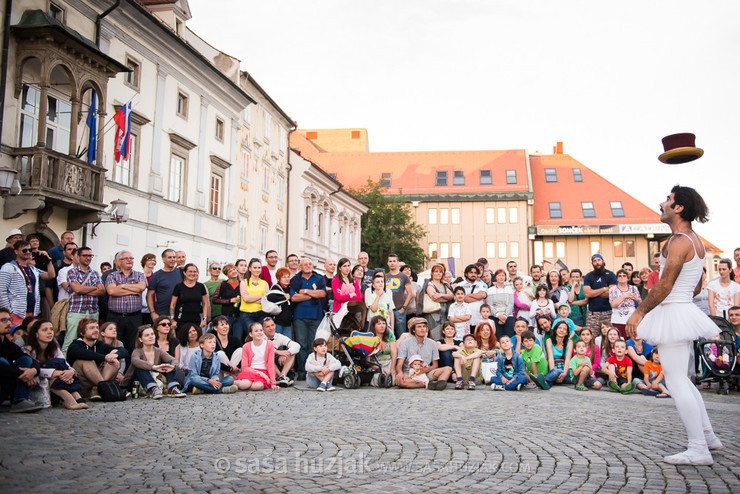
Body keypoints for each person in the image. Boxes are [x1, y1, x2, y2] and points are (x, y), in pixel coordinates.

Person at [626, 185, 722, 465]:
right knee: (682, 378)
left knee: (676, 380)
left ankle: (698, 449)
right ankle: (708, 436)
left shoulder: (678, 241)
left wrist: (639, 313)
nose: (661, 203)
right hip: (683, 310)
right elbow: (696, 286)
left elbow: (666, 285)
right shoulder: (696, 241)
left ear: (679, 208)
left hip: (674, 312)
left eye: (667, 200)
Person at [23, 319, 87, 409]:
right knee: (53, 372)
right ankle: (69, 400)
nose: (49, 332)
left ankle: (76, 397)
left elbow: (64, 362)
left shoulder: (54, 347)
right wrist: (53, 372)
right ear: (36, 334)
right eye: (45, 330)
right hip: (37, 383)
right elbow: (34, 370)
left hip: (58, 380)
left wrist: (70, 371)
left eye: (51, 329)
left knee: (60, 365)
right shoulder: (28, 350)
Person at [66, 318, 128, 398]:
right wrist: (105, 357)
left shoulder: (99, 344)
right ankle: (106, 389)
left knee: (113, 359)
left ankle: (99, 389)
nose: (95, 330)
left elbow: (124, 351)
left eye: (97, 328)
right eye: (92, 328)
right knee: (86, 361)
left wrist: (115, 355)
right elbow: (84, 353)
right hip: (81, 385)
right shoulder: (75, 345)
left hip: (96, 383)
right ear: (82, 332)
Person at [0, 240, 55, 325]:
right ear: (16, 251)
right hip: (16, 313)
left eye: (30, 250)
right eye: (24, 250)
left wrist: (48, 260)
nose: (28, 252)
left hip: (32, 313)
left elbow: (51, 275)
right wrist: (9, 312)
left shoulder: (32, 269)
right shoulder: (8, 268)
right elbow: (1, 291)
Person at [124, 326, 185, 399]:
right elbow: (135, 361)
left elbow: (173, 360)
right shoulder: (137, 351)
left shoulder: (158, 351)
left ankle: (172, 388)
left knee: (168, 364)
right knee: (140, 366)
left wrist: (172, 366)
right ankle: (153, 389)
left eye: (152, 334)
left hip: (155, 378)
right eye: (147, 335)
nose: (151, 337)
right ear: (140, 339)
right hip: (136, 382)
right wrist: (153, 367)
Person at [0, 307, 42, 412]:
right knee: (2, 361)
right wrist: (24, 375)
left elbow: (30, 359)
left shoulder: (7, 343)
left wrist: (33, 371)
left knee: (25, 360)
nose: (8, 323)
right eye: (3, 320)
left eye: (9, 319)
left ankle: (20, 400)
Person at [63, 246, 104, 354]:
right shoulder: (72, 272)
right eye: (85, 255)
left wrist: (82, 289)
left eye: (90, 255)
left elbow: (102, 291)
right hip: (77, 310)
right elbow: (76, 289)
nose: (88, 258)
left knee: (92, 340)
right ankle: (65, 365)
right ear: (78, 256)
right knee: (70, 339)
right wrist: (94, 287)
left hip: (92, 310)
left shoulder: (95, 273)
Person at [290, 258, 326, 376]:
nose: (308, 266)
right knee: (301, 344)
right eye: (306, 264)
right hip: (300, 316)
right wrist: (313, 295)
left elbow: (322, 294)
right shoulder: (295, 280)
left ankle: (312, 370)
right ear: (301, 267)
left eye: (310, 264)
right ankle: (301, 370)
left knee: (313, 344)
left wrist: (305, 291)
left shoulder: (319, 278)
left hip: (316, 316)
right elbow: (294, 297)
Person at [106, 251, 146, 352]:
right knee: (115, 344)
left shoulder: (139, 275)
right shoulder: (112, 276)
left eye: (131, 258)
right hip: (116, 317)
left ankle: (130, 368)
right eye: (126, 258)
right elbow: (111, 291)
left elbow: (141, 287)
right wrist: (133, 290)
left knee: (133, 345)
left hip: (134, 317)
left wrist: (123, 286)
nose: (129, 260)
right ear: (119, 261)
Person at [395, 317, 452, 390]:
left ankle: (439, 383)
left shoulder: (432, 343)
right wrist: (399, 373)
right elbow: (399, 364)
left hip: (427, 372)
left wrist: (426, 370)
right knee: (400, 382)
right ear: (413, 330)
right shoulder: (405, 343)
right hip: (410, 373)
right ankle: (428, 384)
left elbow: (435, 365)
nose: (422, 329)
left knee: (448, 369)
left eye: (424, 327)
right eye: (419, 327)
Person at [583, 254, 617, 338]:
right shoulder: (588, 276)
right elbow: (587, 293)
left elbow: (612, 293)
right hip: (593, 313)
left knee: (610, 337)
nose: (597, 263)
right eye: (594, 261)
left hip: (608, 312)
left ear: (603, 261)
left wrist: (593, 292)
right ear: (592, 264)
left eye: (599, 260)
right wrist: (604, 289)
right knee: (590, 338)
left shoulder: (611, 275)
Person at [234, 322, 276, 391]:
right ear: (251, 334)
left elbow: (271, 364)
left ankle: (249, 385)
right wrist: (260, 373)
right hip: (250, 372)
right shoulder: (246, 346)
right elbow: (244, 367)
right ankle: (232, 383)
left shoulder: (269, 344)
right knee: (245, 384)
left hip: (264, 372)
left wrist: (273, 383)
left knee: (257, 386)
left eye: (261, 330)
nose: (259, 332)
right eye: (256, 331)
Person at [235, 259, 268, 342]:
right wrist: (260, 296)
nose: (257, 270)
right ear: (250, 268)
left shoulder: (264, 283)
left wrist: (252, 298)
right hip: (247, 315)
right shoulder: (244, 282)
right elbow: (245, 298)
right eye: (255, 267)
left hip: (261, 314)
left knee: (262, 337)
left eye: (259, 268)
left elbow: (267, 300)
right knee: (252, 336)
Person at [262, 317, 299, 387]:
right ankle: (281, 377)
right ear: (263, 329)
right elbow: (262, 350)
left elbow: (297, 346)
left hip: (279, 364)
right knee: (267, 355)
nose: (271, 328)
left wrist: (286, 352)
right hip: (266, 366)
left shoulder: (279, 336)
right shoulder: (260, 337)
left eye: (272, 325)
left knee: (292, 352)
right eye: (267, 326)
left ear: (275, 325)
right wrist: (278, 352)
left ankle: (282, 376)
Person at [146, 249, 181, 323]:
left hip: (179, 314)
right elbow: (149, 295)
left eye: (174, 257)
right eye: (170, 257)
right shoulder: (157, 275)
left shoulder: (180, 272)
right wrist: (152, 313)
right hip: (162, 314)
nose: (172, 260)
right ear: (163, 259)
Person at [171, 264, 209, 329]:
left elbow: (205, 304)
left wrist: (204, 319)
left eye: (194, 271)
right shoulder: (179, 287)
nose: (192, 273)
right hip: (181, 320)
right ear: (184, 273)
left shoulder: (201, 286)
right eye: (190, 271)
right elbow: (173, 304)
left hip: (196, 320)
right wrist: (172, 319)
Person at [421, 263, 453, 339]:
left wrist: (440, 295)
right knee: (434, 337)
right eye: (436, 271)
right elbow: (434, 297)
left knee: (444, 337)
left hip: (444, 315)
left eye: (440, 272)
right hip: (433, 315)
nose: (438, 273)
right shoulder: (429, 284)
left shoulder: (445, 284)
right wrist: (446, 297)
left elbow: (451, 296)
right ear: (432, 273)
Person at [385, 254, 413, 339]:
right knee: (387, 335)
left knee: (401, 335)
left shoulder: (403, 276)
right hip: (386, 310)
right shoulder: (385, 276)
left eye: (394, 261)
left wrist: (404, 307)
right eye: (390, 261)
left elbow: (410, 293)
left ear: (397, 263)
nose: (392, 263)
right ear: (387, 263)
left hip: (399, 309)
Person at [609, 269, 641, 339]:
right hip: (618, 320)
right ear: (617, 278)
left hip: (632, 319)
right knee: (620, 340)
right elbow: (613, 304)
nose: (622, 277)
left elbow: (640, 303)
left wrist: (636, 298)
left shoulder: (634, 288)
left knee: (632, 339)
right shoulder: (613, 289)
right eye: (620, 276)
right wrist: (624, 296)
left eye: (624, 275)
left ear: (627, 278)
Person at [486, 269, 515, 339]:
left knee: (509, 338)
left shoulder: (509, 289)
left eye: (503, 275)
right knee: (497, 338)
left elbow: (511, 304)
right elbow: (489, 305)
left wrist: (504, 316)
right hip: (494, 317)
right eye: (499, 275)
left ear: (505, 277)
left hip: (508, 316)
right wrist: (498, 315)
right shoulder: (490, 290)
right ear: (495, 277)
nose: (501, 277)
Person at [212, 263, 241, 330]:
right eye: (230, 271)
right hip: (227, 316)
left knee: (238, 337)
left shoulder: (242, 283)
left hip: (239, 316)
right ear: (227, 275)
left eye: (234, 269)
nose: (233, 272)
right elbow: (215, 299)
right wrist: (229, 300)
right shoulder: (223, 284)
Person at [266, 267, 293, 338]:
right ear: (278, 278)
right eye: (284, 277)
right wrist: (284, 298)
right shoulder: (276, 287)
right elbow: (270, 297)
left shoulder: (290, 288)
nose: (287, 279)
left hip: (288, 322)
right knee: (276, 341)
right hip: (277, 321)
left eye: (288, 277)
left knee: (287, 343)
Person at [459, 264, 488, 330]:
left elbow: (483, 295)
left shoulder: (480, 285)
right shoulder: (460, 285)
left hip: (478, 319)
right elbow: (465, 299)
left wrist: (468, 295)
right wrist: (477, 296)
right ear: (466, 274)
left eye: (475, 273)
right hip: (465, 320)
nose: (473, 274)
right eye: (471, 272)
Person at [545, 320, 573, 386]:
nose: (561, 330)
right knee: (556, 372)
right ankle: (548, 381)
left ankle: (545, 380)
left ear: (566, 333)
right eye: (560, 328)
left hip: (565, 370)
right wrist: (553, 372)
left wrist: (564, 374)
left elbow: (568, 360)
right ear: (556, 330)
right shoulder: (549, 341)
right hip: (554, 367)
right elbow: (550, 358)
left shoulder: (570, 342)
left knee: (570, 377)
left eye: (564, 329)